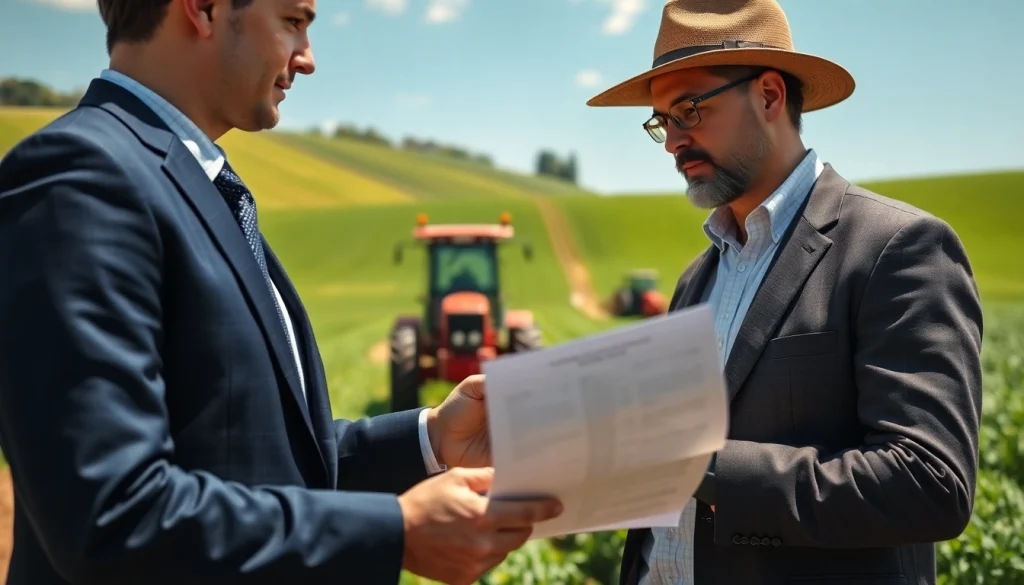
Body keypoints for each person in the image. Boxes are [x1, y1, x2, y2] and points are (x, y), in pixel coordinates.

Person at [0, 1, 562, 584]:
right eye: (294, 21)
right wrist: (394, 531)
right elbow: (111, 515)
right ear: (205, 9)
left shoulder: (195, 183)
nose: (309, 58)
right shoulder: (82, 177)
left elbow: (262, 459)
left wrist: (431, 438)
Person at [585, 1, 983, 584]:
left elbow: (930, 482)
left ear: (770, 95)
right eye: (662, 122)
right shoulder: (697, 278)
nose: (672, 141)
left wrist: (708, 468)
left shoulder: (897, 248)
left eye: (689, 110)